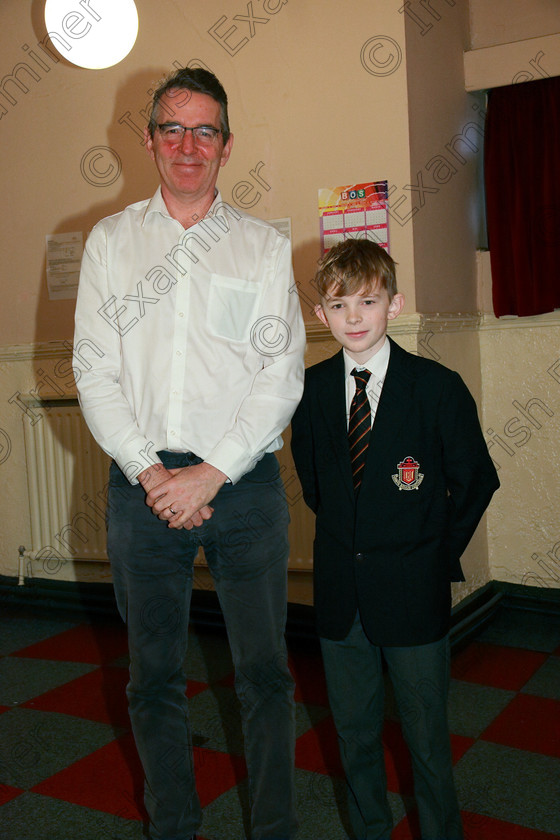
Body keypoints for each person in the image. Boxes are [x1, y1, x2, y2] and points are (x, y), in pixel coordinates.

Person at [73, 67, 305, 840]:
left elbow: (280, 376)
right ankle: (174, 827)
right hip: (141, 489)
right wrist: (152, 473)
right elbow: (94, 370)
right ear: (148, 140)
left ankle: (273, 828)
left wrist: (210, 472)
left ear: (227, 145)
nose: (188, 144)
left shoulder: (263, 248)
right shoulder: (110, 242)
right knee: (152, 680)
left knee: (266, 677)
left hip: (242, 487)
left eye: (205, 130)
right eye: (172, 128)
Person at [291, 239, 499, 840]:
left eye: (367, 301)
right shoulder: (309, 391)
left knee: (426, 740)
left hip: (413, 590)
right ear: (319, 314)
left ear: (394, 304)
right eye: (337, 305)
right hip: (340, 597)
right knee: (354, 736)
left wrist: (433, 552)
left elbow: (476, 480)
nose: (353, 317)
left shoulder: (435, 386)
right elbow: (316, 487)